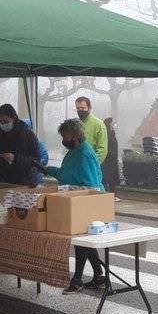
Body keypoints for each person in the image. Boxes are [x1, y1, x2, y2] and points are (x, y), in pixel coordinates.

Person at [41, 119, 107, 295]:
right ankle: (99, 275)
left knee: (80, 243)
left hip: (85, 203)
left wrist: (77, 194)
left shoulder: (84, 154)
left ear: (76, 135)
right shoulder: (74, 151)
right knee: (84, 242)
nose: (64, 140)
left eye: (66, 136)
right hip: (77, 201)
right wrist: (49, 170)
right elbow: (66, 173)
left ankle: (77, 280)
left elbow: (91, 184)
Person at [0, 104, 43, 186]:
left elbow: (36, 160)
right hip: (4, 181)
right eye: (0, 122)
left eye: (6, 122)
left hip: (25, 181)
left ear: (14, 118)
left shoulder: (27, 134)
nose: (3, 125)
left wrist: (15, 158)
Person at [75, 97, 107, 163]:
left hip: (90, 167)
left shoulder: (98, 124)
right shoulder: (75, 124)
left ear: (89, 108)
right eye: (78, 108)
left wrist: (91, 164)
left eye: (83, 108)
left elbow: (102, 149)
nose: (80, 110)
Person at [102, 117, 120, 196]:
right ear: (109, 124)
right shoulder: (105, 134)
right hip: (107, 160)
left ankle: (113, 194)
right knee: (107, 178)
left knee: (113, 179)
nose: (115, 124)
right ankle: (106, 194)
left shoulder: (112, 134)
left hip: (113, 160)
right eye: (113, 123)